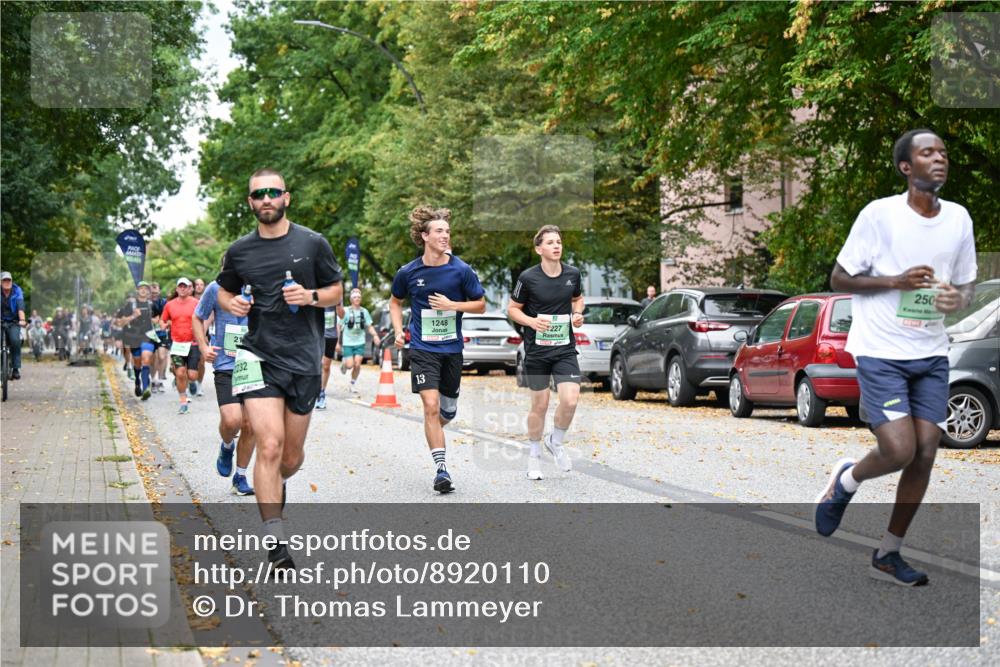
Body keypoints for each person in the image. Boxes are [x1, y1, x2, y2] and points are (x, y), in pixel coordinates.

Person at [815, 129, 977, 586]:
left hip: (931, 351)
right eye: (927, 153)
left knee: (925, 453)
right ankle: (846, 480)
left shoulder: (959, 219)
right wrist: (895, 281)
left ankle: (889, 553)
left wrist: (955, 299)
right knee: (900, 449)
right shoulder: (879, 216)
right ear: (907, 167)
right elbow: (840, 279)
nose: (939, 158)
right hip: (881, 350)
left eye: (943, 151)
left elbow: (965, 284)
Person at [217, 168, 343, 571]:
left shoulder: (313, 244)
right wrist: (229, 304)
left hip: (303, 359)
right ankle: (276, 541)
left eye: (272, 192)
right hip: (257, 357)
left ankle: (279, 482)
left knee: (289, 456)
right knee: (267, 445)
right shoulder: (240, 251)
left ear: (286, 197)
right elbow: (224, 288)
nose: (266, 199)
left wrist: (310, 296)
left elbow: (335, 291)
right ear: (251, 203)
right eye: (258, 195)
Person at [389, 206, 486, 494]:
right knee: (430, 407)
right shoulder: (408, 272)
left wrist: (452, 305)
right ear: (424, 236)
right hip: (422, 349)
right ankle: (441, 470)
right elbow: (395, 302)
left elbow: (480, 305)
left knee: (446, 411)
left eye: (447, 231)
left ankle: (435, 427)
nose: (445, 236)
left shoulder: (461, 270)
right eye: (439, 231)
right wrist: (398, 331)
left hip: (452, 350)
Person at [508, 225, 584, 480]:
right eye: (550, 242)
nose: (556, 245)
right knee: (539, 405)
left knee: (571, 399)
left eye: (559, 241)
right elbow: (513, 309)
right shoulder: (528, 278)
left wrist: (577, 313)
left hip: (564, 349)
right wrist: (530, 322)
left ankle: (556, 441)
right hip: (537, 351)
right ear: (539, 249)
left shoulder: (573, 274)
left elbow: (578, 299)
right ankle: (534, 454)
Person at [194, 268, 255, 496]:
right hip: (226, 364)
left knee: (251, 425)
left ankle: (240, 476)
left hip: (254, 364)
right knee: (232, 421)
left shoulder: (261, 286)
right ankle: (227, 445)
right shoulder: (215, 288)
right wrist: (203, 347)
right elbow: (197, 316)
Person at [160, 277, 202, 414]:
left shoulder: (196, 303)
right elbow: (162, 320)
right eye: (180, 286)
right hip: (177, 344)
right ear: (177, 288)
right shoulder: (170, 305)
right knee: (180, 372)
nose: (183, 289)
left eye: (185, 286)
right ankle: (183, 402)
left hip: (193, 343)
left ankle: (189, 381)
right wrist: (164, 325)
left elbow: (203, 319)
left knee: (193, 375)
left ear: (190, 289)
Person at [337, 288, 380, 394]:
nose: (357, 299)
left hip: (360, 342)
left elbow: (369, 326)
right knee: (350, 365)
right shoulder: (346, 311)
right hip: (348, 342)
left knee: (357, 364)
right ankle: (344, 363)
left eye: (359, 297)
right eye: (355, 297)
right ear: (351, 299)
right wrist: (337, 342)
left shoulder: (364, 312)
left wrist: (375, 335)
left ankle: (352, 383)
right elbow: (338, 326)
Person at [118, 283, 156, 400]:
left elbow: (160, 320)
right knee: (138, 362)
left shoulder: (152, 305)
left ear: (149, 292)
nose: (143, 290)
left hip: (148, 336)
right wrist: (133, 316)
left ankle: (146, 388)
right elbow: (121, 322)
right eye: (141, 288)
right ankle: (138, 381)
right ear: (137, 291)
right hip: (133, 337)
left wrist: (156, 320)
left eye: (146, 289)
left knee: (146, 359)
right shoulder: (130, 305)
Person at [317, 300, 344, 410]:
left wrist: (337, 304)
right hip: (316, 334)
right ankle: (314, 391)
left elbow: (341, 315)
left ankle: (322, 393)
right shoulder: (314, 289)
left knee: (326, 366)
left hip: (330, 335)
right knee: (316, 364)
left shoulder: (335, 293)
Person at [1, 272, 26, 379]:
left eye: (9, 280)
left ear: (11, 281)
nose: (7, 282)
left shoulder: (17, 290)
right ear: (0, 282)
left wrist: (22, 320)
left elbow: (20, 306)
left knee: (15, 340)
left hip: (14, 321)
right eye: (4, 280)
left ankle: (15, 368)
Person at [150, 282, 169, 393]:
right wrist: (151, 320)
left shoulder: (164, 302)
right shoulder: (146, 303)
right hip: (149, 334)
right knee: (153, 359)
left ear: (159, 290)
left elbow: (169, 315)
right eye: (151, 288)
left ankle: (160, 380)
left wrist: (162, 320)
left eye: (155, 288)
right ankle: (153, 381)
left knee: (161, 357)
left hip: (162, 333)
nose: (153, 290)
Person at [193, 278, 208, 396]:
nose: (198, 286)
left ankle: (199, 385)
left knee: (201, 362)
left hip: (204, 332)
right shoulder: (188, 298)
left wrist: (204, 334)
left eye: (201, 284)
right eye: (196, 284)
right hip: (188, 333)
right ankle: (188, 382)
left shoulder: (207, 298)